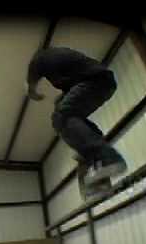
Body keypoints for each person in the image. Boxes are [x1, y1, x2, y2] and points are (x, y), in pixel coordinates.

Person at [26, 47, 127, 187]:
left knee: (61, 115)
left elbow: (33, 69)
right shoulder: (61, 65)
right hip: (100, 83)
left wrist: (31, 89)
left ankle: (109, 159)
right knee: (65, 112)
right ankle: (98, 162)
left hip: (96, 81)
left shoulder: (44, 58)